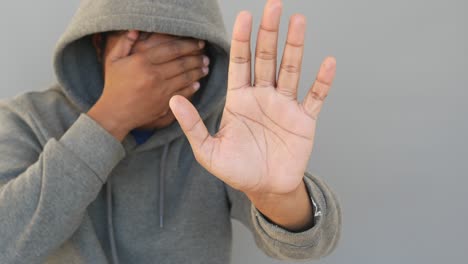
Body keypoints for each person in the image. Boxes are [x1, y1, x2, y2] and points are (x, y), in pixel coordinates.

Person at [0, 0, 341, 263]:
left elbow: (311, 243)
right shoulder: (26, 118)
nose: (156, 76)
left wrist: (278, 197)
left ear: (206, 54)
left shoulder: (226, 129)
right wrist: (110, 119)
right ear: (99, 43)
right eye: (141, 38)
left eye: (181, 46)